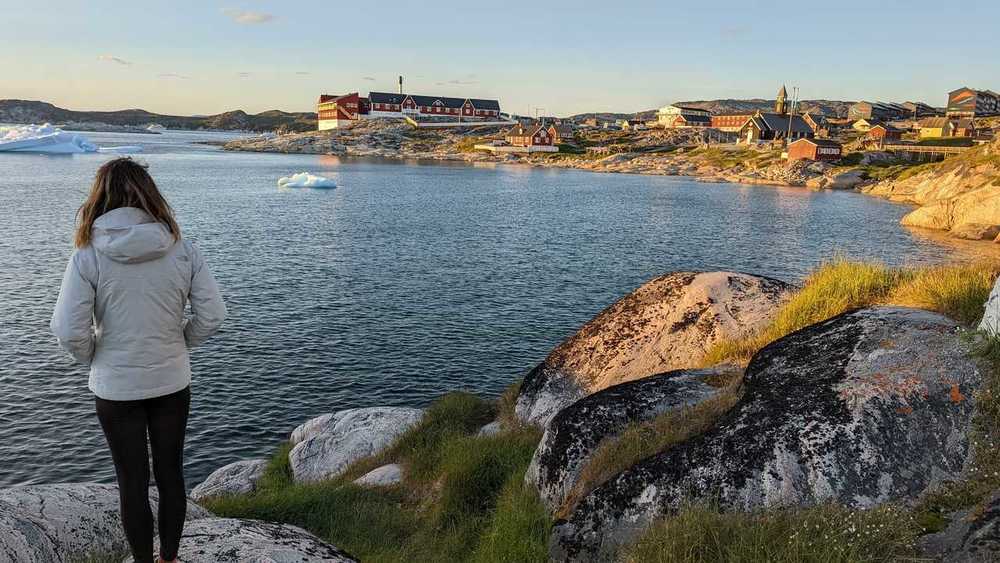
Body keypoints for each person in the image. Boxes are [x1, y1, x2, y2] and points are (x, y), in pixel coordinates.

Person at [51, 157, 226, 563]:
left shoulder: (87, 255)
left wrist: (97, 356)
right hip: (171, 381)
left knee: (131, 481)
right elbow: (213, 315)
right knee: (170, 474)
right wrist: (181, 342)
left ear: (100, 197)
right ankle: (169, 558)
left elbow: (67, 330)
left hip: (116, 388)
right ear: (150, 194)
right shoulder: (182, 248)